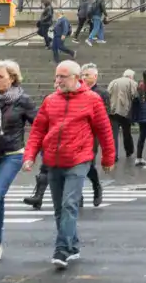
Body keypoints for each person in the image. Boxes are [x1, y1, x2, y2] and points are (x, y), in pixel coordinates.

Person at [22, 60, 115, 270]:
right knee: (58, 208)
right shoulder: (50, 100)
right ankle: (73, 246)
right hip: (53, 161)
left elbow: (104, 130)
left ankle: (61, 249)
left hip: (78, 159)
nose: (57, 81)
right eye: (56, 76)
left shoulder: (93, 100)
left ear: (76, 78)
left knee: (69, 205)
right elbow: (38, 130)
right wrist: (29, 155)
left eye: (62, 77)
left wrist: (108, 157)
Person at [0, 60, 36, 264]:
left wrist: (32, 154)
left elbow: (36, 126)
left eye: (1, 76)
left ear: (12, 77)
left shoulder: (23, 100)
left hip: (12, 154)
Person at [78, 64, 109, 207]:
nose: (84, 78)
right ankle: (78, 194)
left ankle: (96, 186)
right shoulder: (77, 91)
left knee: (88, 164)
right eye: (82, 75)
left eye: (87, 75)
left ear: (95, 77)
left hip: (92, 134)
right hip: (76, 132)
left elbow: (104, 116)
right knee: (76, 164)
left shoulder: (101, 93)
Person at [106, 69, 138, 162]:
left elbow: (108, 93)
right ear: (131, 76)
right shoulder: (132, 83)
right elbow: (135, 96)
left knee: (113, 134)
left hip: (113, 111)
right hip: (126, 111)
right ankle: (129, 151)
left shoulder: (113, 81)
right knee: (127, 132)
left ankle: (114, 155)